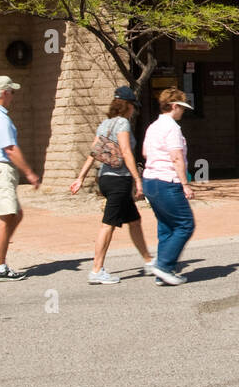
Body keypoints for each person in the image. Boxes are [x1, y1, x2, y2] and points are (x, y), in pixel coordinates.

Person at [68, 86, 154, 285]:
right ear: (127, 106)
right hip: (119, 180)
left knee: (134, 220)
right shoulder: (123, 123)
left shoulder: (104, 124)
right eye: (133, 106)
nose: (134, 110)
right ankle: (97, 270)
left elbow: (93, 152)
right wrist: (138, 179)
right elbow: (125, 151)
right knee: (108, 225)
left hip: (105, 178)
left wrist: (80, 177)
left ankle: (148, 261)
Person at [0, 75, 40, 280]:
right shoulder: (0, 117)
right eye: (12, 92)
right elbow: (10, 149)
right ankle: (0, 267)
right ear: (4, 93)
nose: (13, 96)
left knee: (15, 214)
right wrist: (29, 173)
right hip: (0, 169)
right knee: (4, 219)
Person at [141, 88, 197, 286]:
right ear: (174, 106)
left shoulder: (153, 126)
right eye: (182, 107)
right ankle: (163, 266)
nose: (183, 111)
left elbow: (145, 153)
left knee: (166, 226)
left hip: (150, 180)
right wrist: (185, 184)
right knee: (185, 224)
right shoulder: (172, 128)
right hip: (167, 181)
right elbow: (176, 157)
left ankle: (163, 271)